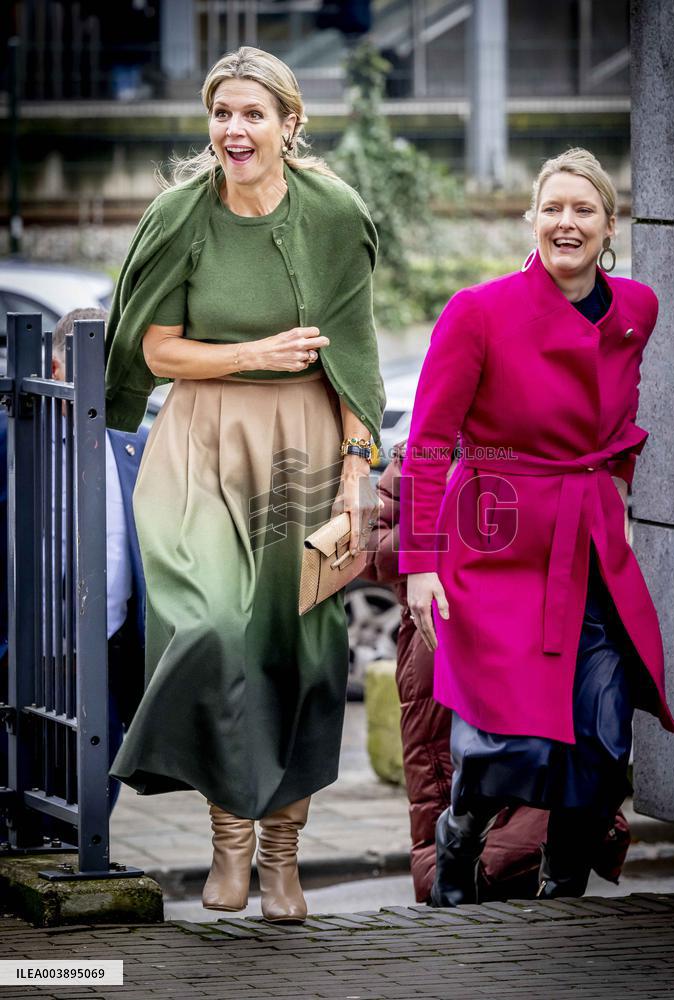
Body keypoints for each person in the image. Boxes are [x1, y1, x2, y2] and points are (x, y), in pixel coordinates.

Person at [104, 46, 384, 922]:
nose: (234, 129)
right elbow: (153, 350)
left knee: (296, 654)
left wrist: (357, 473)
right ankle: (227, 840)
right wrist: (251, 356)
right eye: (222, 113)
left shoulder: (334, 214)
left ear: (288, 123)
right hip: (197, 442)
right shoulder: (180, 215)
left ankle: (281, 860)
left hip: (304, 442)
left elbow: (356, 358)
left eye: (253, 114)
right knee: (215, 633)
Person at [399, 148, 674, 906]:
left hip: (589, 544)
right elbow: (428, 444)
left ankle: (563, 902)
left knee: (600, 733)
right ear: (531, 218)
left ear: (608, 225)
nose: (566, 222)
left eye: (583, 209)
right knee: (509, 737)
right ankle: (459, 839)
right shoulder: (479, 311)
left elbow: (621, 424)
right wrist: (420, 564)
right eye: (552, 207)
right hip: (494, 537)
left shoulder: (636, 310)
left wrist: (615, 492)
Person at [363, 440, 631, 902]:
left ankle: (539, 896)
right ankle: (457, 897)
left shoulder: (540, 454)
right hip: (436, 647)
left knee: (536, 777)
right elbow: (368, 548)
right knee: (446, 782)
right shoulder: (419, 458)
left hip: (523, 639)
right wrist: (444, 532)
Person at [50, 308, 148, 814]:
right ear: (56, 368)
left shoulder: (136, 442)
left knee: (94, 791)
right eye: (90, 365)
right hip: (34, 655)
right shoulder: (20, 437)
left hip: (108, 651)